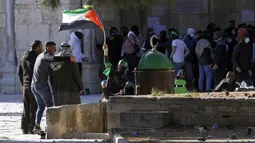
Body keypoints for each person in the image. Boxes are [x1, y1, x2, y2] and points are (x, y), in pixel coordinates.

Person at [31, 41, 76, 134]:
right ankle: (50, 127)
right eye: (53, 48)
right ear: (47, 47)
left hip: (34, 85)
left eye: (55, 48)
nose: (55, 50)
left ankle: (37, 125)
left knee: (41, 106)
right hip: (41, 85)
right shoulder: (46, 56)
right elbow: (55, 59)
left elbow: (54, 66)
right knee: (50, 106)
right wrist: (69, 58)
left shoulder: (40, 56)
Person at [18, 40, 43, 134]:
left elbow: (19, 73)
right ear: (37, 48)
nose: (42, 49)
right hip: (34, 84)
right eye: (41, 47)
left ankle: (24, 128)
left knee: (26, 107)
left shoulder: (23, 57)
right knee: (34, 107)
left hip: (25, 85)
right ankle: (31, 128)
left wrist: (22, 84)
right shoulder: (37, 58)